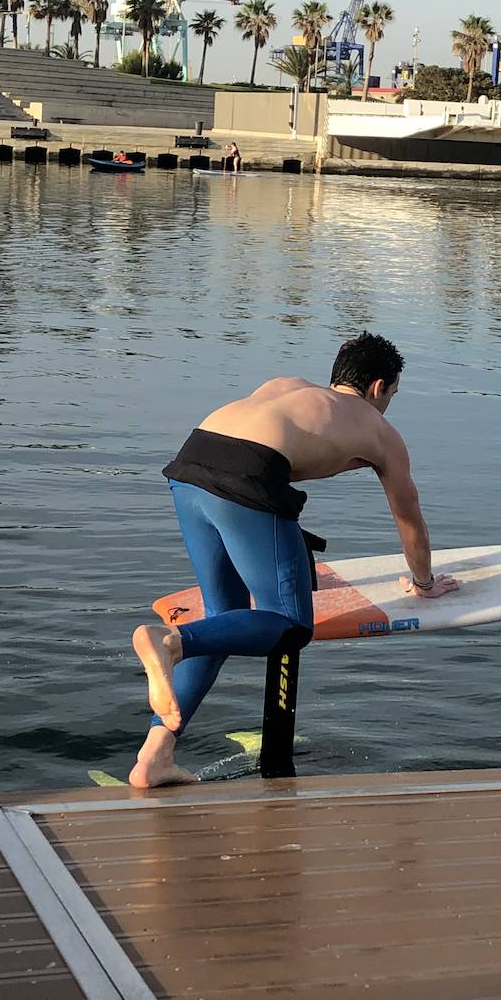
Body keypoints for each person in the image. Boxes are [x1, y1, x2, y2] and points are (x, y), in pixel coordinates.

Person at [129, 331, 459, 787]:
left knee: (223, 621)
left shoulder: (288, 385)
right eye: (392, 395)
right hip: (247, 477)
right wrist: (424, 584)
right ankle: (169, 642)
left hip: (190, 464)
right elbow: (409, 518)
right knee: (290, 624)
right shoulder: (380, 431)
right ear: (380, 387)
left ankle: (154, 756)